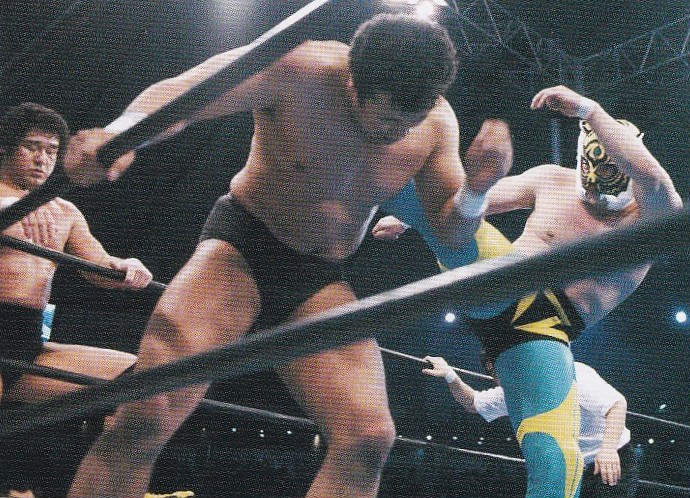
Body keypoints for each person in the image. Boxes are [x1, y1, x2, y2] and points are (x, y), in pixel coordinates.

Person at [64, 14, 512, 498]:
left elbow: (450, 233)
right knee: (148, 409)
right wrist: (122, 134)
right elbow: (188, 93)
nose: (397, 132)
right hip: (242, 249)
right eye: (386, 120)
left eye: (411, 122)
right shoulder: (300, 69)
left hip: (319, 278)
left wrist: (477, 190)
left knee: (368, 439)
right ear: (353, 83)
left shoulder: (438, 123)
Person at [372, 85, 682, 498]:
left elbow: (653, 177)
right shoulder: (552, 180)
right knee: (460, 220)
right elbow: (483, 201)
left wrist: (589, 110)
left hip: (543, 335)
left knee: (558, 464)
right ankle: (370, 163)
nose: (595, 195)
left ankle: (439, 218)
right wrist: (417, 219)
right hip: (508, 281)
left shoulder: (653, 219)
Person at [0, 102, 154, 496]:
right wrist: (9, 209)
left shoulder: (65, 211)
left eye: (52, 150)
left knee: (141, 379)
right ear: (6, 148)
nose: (43, 159)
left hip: (27, 344)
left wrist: (127, 267)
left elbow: (97, 265)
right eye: (32, 147)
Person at [423, 356, 640, 497]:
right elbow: (472, 403)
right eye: (493, 373)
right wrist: (450, 375)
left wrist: (608, 449)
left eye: (500, 369)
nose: (498, 378)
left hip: (609, 461)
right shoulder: (513, 391)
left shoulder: (570, 372)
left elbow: (617, 404)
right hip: (566, 468)